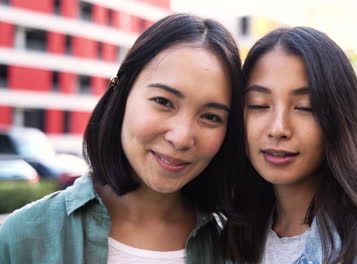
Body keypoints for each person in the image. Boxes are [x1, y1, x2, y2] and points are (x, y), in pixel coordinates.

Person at [0, 13, 244, 264]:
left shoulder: (238, 247)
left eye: (211, 117)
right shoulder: (25, 237)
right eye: (163, 102)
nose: (181, 138)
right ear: (122, 93)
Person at [222, 27, 357, 264]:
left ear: (338, 118)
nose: (278, 128)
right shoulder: (227, 229)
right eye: (259, 104)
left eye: (305, 107)